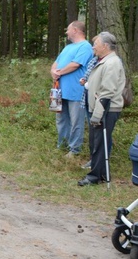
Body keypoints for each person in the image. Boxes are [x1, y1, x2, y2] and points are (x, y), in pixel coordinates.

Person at [78, 32, 125, 186]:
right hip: (99, 108)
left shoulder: (112, 63)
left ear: (105, 46)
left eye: (96, 44)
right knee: (97, 141)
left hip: (106, 109)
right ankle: (103, 173)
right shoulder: (103, 61)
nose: (93, 47)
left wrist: (97, 115)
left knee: (99, 143)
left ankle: (94, 177)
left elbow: (107, 92)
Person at [50, 21, 92, 157]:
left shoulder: (85, 47)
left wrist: (59, 72)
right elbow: (56, 63)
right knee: (61, 119)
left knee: (76, 121)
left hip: (76, 91)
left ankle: (74, 149)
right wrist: (53, 71)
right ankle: (62, 145)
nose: (66, 32)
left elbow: (75, 65)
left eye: (68, 30)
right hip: (60, 90)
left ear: (75, 30)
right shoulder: (67, 48)